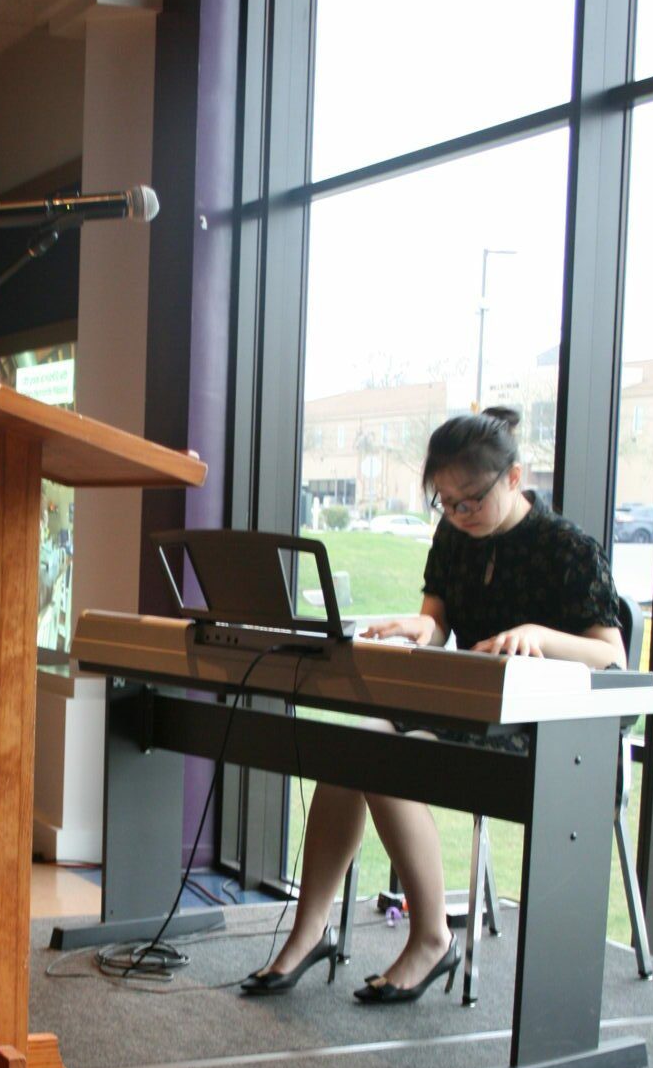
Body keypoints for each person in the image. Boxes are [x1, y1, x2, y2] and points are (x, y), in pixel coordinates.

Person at [241, 406, 625, 1002]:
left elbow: (611, 657)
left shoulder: (569, 548)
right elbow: (438, 621)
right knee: (352, 748)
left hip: (538, 727)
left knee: (386, 762)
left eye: (470, 500)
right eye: (445, 502)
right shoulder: (453, 537)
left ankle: (431, 938)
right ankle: (308, 930)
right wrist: (420, 629)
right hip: (463, 703)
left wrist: (540, 637)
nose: (458, 514)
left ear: (515, 478)